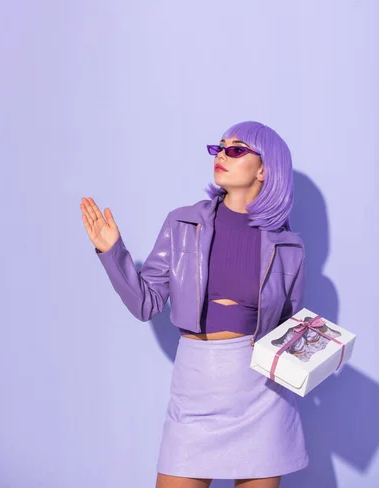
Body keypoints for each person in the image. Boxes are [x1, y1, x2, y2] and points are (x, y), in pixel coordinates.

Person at [80, 120, 309, 488]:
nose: (222, 155)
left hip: (261, 396)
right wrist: (112, 252)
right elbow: (146, 304)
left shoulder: (289, 247)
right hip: (195, 386)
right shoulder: (182, 223)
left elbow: (287, 327)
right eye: (219, 147)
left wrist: (319, 353)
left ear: (265, 168)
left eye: (236, 150)